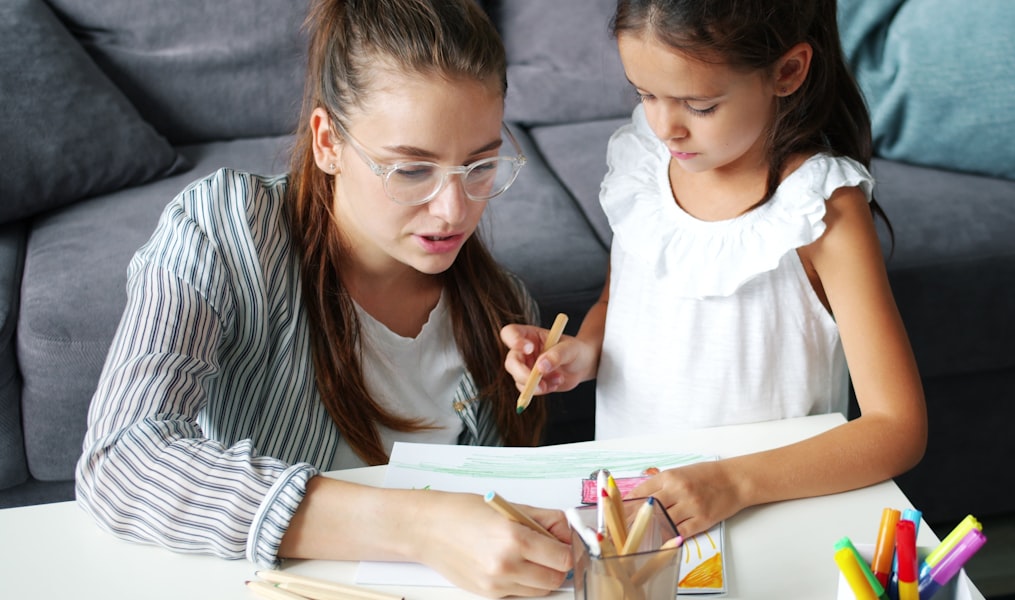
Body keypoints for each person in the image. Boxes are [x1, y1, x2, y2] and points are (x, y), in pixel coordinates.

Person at [75, 0, 573, 595]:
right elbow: (120, 462)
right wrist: (419, 525)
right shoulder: (227, 230)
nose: (455, 210)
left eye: (480, 164)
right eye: (411, 171)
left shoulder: (501, 307)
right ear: (328, 141)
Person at [502, 0, 927, 540]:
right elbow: (620, 304)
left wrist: (732, 483)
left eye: (698, 105)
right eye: (645, 94)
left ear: (788, 72)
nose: (664, 127)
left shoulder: (821, 210)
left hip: (765, 513)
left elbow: (899, 429)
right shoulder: (644, 163)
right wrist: (582, 353)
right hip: (641, 513)